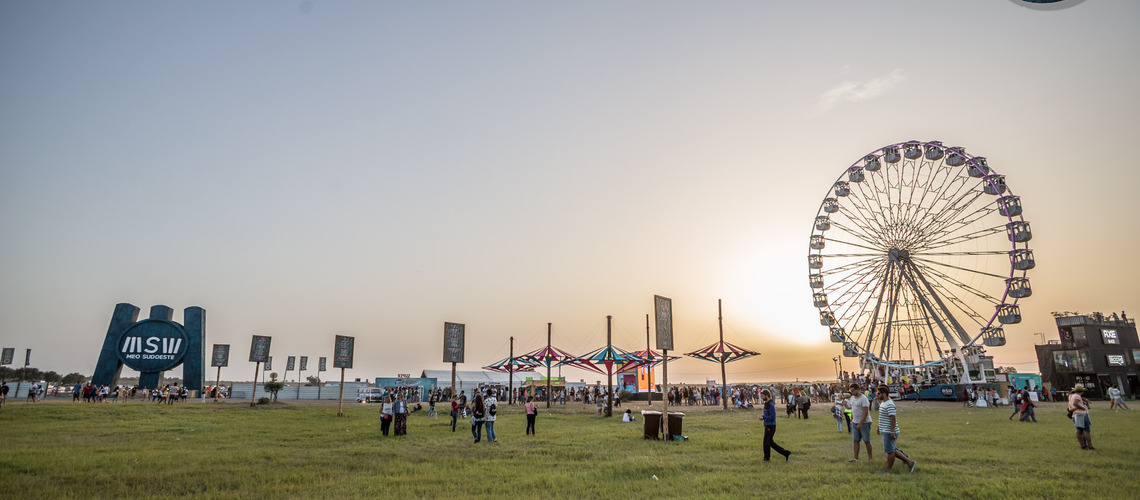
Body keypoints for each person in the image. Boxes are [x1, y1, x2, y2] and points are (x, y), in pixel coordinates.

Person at [876, 385, 916, 474]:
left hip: (888, 431)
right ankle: (910, 462)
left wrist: (892, 431)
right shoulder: (883, 403)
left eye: (878, 393)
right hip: (885, 430)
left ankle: (888, 470)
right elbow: (882, 417)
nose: (877, 395)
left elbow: (892, 418)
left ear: (884, 394)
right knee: (892, 449)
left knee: (890, 452)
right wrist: (879, 427)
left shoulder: (889, 404)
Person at [760, 389, 790, 462]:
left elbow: (773, 416)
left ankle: (766, 459)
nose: (761, 397)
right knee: (770, 443)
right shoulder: (766, 404)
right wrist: (763, 417)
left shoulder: (771, 405)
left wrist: (764, 417)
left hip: (770, 426)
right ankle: (786, 453)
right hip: (767, 425)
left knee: (766, 442)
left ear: (767, 395)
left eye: (763, 396)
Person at [847, 383, 873, 463]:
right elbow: (853, 409)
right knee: (855, 441)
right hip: (855, 422)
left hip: (864, 423)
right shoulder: (852, 398)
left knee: (866, 441)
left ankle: (870, 458)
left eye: (853, 390)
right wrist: (852, 420)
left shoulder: (863, 398)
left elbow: (865, 412)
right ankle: (855, 458)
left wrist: (861, 423)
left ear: (858, 389)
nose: (852, 392)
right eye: (850, 391)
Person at [1069, 384, 1093, 450]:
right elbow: (1075, 403)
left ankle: (1083, 445)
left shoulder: (1072, 396)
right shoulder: (1077, 396)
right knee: (1086, 431)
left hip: (1075, 414)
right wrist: (1082, 408)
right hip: (1081, 414)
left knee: (1079, 430)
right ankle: (1090, 446)